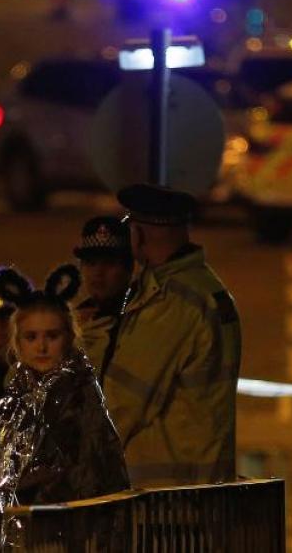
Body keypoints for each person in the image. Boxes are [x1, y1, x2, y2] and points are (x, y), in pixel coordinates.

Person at [0, 264, 130, 550]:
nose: (42, 347)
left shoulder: (80, 396)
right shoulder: (14, 400)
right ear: (18, 343)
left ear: (69, 338)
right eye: (32, 337)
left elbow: (89, 476)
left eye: (52, 336)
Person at [101, 183, 243, 488]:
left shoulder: (171, 302)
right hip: (199, 488)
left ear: (137, 236)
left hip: (167, 499)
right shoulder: (206, 288)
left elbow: (121, 404)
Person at [72, 216, 133, 375]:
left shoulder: (136, 321)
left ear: (128, 269)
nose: (98, 273)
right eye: (91, 263)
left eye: (109, 263)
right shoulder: (76, 318)